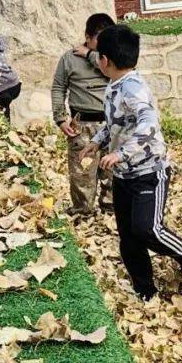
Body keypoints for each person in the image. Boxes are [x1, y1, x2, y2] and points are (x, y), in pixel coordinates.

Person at [78, 24, 182, 302]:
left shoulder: (134, 87)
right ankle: (145, 289)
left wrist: (121, 154)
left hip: (150, 171)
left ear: (105, 61)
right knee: (128, 236)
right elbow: (114, 124)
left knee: (147, 229)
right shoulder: (115, 86)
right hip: (124, 175)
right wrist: (96, 143)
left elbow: (148, 124)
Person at [53, 12, 115, 217]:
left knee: (112, 171)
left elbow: (114, 72)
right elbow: (58, 87)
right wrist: (60, 118)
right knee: (82, 173)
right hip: (83, 124)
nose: (105, 44)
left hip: (111, 123)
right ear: (87, 37)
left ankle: (110, 208)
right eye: (100, 40)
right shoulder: (69, 58)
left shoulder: (114, 57)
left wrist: (90, 55)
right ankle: (83, 210)